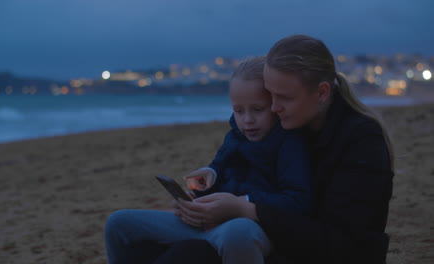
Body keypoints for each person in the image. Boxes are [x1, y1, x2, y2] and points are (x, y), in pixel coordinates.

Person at [154, 34, 394, 264]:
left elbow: (341, 244)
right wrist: (206, 202)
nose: (274, 108)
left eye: (284, 98)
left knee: (192, 254)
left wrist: (245, 209)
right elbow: (250, 177)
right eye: (270, 97)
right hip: (282, 244)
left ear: (321, 92)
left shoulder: (361, 141)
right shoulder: (292, 126)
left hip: (329, 255)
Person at [104, 56, 312, 264]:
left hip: (249, 229)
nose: (247, 120)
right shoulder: (235, 135)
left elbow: (297, 201)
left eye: (257, 109)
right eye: (239, 110)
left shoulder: (289, 142)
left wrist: (242, 203)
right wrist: (201, 190)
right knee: (118, 223)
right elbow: (218, 168)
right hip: (207, 224)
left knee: (238, 233)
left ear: (275, 105)